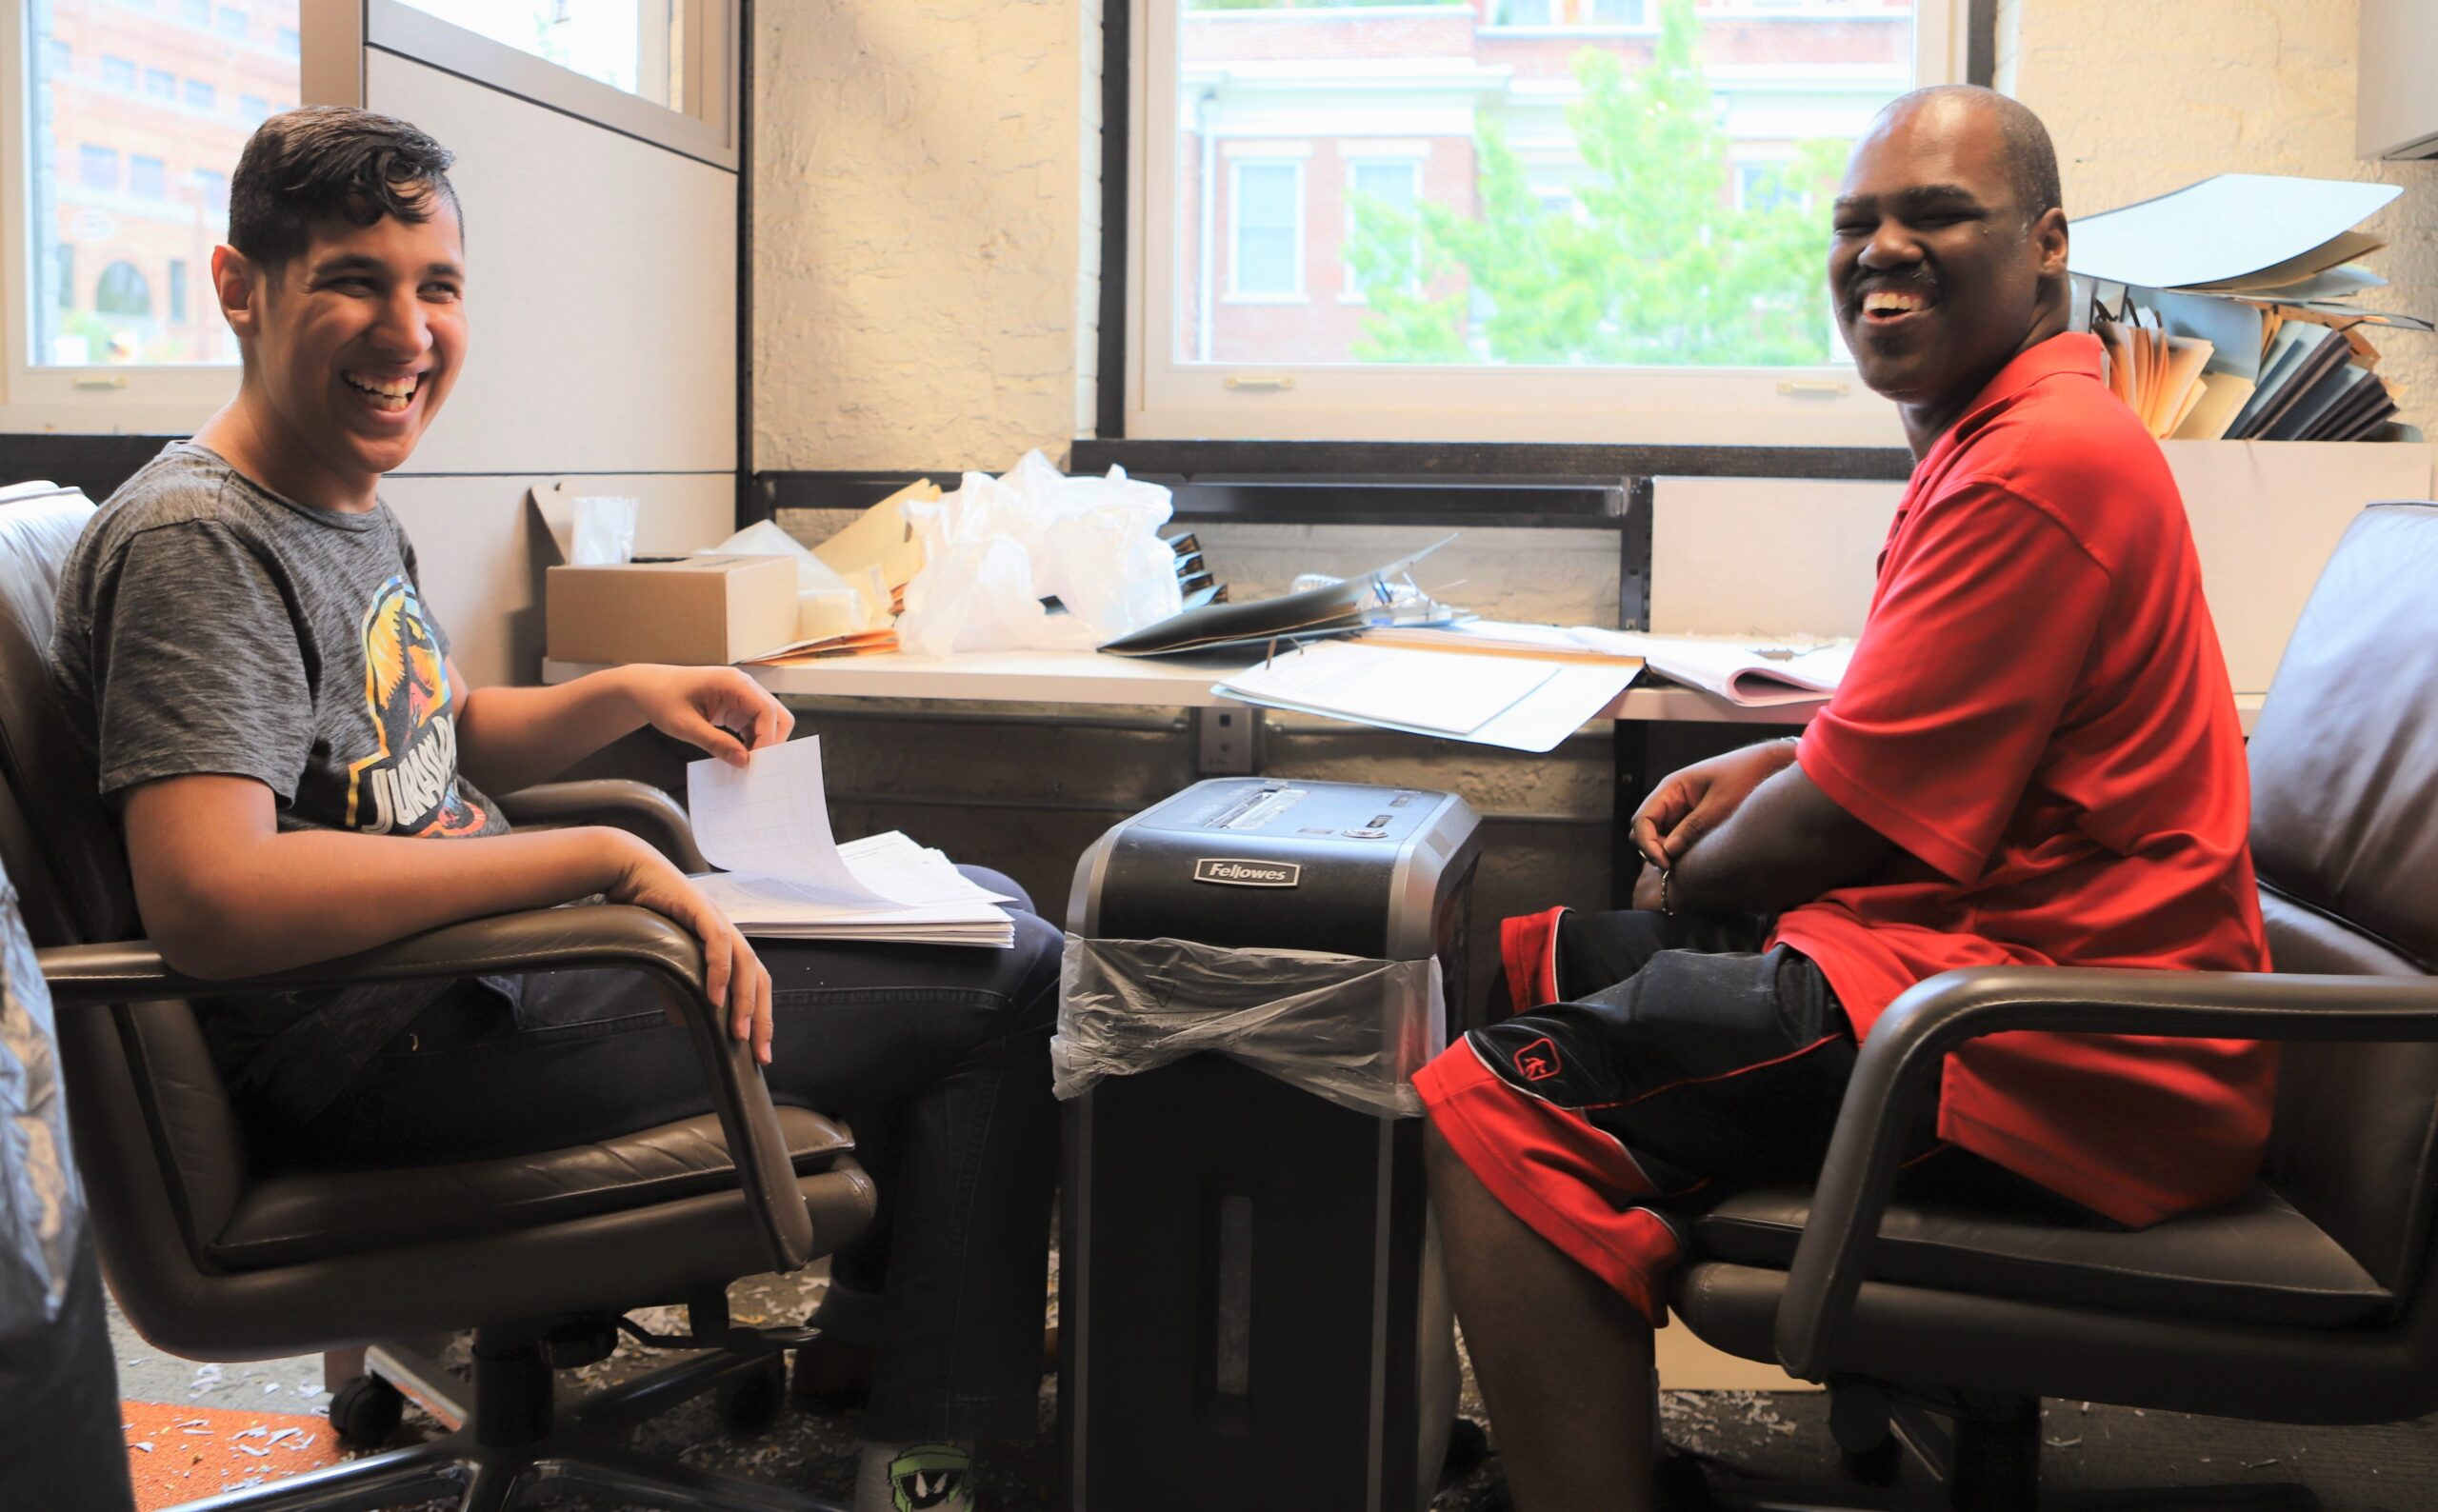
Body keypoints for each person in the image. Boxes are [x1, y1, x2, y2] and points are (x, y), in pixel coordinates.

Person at [47, 107, 1050, 1512]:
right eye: (353, 279)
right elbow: (215, 898)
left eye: (436, 287)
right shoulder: (202, 544)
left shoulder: (336, 498)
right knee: (1014, 971)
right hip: (388, 1047)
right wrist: (584, 862)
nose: (407, 336)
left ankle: (870, 1353)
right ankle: (926, 1448)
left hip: (482, 990)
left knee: (987, 911)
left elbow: (434, 739)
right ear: (239, 288)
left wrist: (632, 691)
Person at [1417, 86, 2273, 1511]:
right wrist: (1769, 761)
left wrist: (1701, 875)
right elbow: (1907, 740)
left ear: (2049, 244)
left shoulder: (2036, 466)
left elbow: (1826, 834)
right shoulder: (2004, 430)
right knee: (1523, 960)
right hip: (2003, 975)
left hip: (2060, 1041)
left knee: (1489, 1099)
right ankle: (1562, 1443)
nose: (1883, 250)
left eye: (1937, 215)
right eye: (1855, 222)